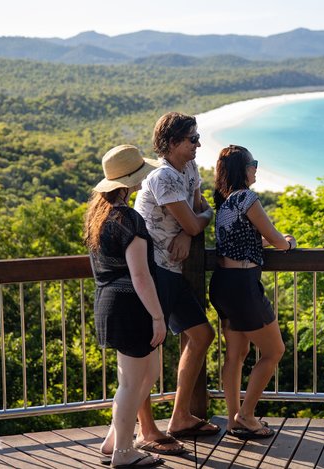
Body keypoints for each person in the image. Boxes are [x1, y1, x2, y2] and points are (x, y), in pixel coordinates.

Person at [134, 112, 220, 439]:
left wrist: (190, 229)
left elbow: (196, 214)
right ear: (172, 143)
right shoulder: (163, 178)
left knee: (202, 335)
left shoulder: (190, 168)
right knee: (145, 348)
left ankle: (180, 416)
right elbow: (196, 218)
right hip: (153, 270)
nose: (198, 144)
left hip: (172, 270)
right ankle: (146, 429)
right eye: (192, 139)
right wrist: (196, 223)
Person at [85, 144, 167, 468]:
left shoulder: (99, 216)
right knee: (132, 383)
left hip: (109, 303)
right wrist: (158, 316)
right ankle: (123, 453)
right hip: (131, 305)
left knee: (148, 373)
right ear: (130, 182)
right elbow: (140, 275)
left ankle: (112, 440)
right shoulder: (129, 219)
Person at [209, 145, 292, 439]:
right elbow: (277, 240)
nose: (256, 168)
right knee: (274, 351)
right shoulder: (246, 198)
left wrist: (270, 242)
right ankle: (245, 415)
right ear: (244, 169)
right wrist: (288, 243)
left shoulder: (225, 203)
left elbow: (245, 242)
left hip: (223, 284)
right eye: (254, 163)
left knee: (236, 354)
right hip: (243, 286)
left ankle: (234, 420)